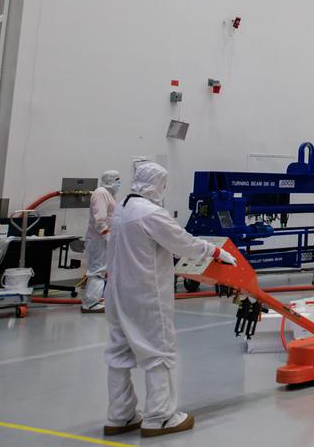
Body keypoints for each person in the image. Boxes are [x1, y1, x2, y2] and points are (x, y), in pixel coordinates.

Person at [103, 161, 238, 438]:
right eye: (163, 185)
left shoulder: (123, 210)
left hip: (118, 293)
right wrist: (215, 252)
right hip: (146, 293)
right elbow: (182, 242)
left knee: (119, 354)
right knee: (158, 352)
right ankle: (160, 417)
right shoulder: (151, 213)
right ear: (156, 184)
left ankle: (120, 416)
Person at [82, 169, 121, 313]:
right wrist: (107, 235)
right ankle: (90, 303)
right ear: (110, 180)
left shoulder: (109, 194)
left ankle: (95, 299)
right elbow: (100, 219)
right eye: (117, 180)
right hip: (99, 238)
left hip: (104, 238)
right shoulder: (100, 193)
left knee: (102, 270)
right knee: (97, 270)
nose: (119, 183)